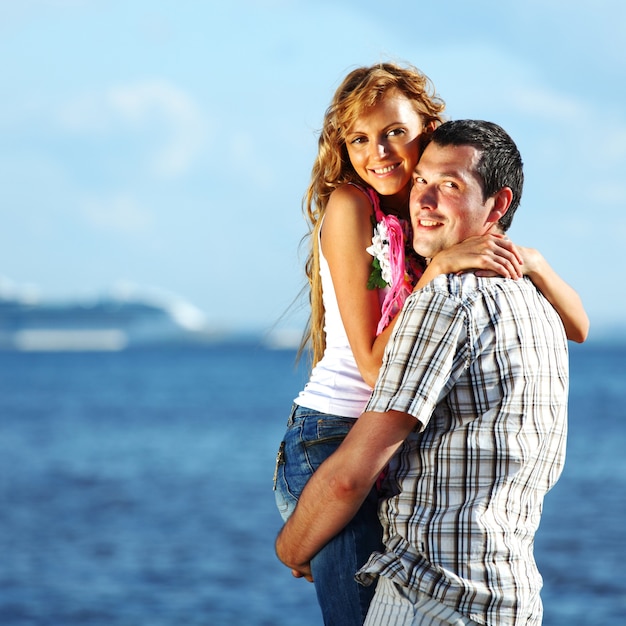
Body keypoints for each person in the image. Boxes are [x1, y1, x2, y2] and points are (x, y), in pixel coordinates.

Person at [274, 64, 588, 625]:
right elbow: (376, 368)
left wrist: (532, 262)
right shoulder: (352, 207)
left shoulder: (430, 210)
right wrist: (439, 269)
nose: (381, 153)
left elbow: (579, 326)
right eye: (360, 139)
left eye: (395, 132)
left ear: (427, 126)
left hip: (382, 445)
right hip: (334, 438)